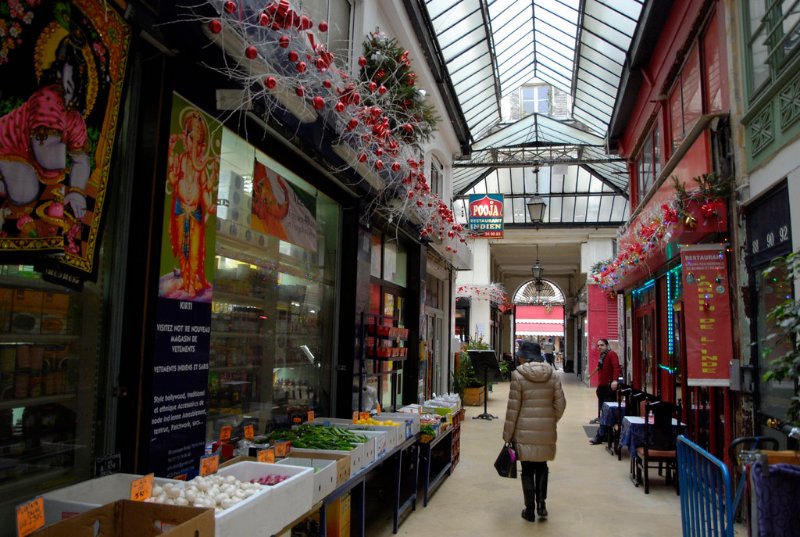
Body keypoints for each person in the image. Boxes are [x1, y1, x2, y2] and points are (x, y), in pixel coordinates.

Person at [503, 340, 566, 522]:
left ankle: (529, 509)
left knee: (527, 469)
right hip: (545, 430)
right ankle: (542, 505)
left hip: (524, 431)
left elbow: (513, 409)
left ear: (524, 357)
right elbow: (560, 404)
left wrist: (508, 434)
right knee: (542, 466)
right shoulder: (552, 374)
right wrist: (550, 420)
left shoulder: (517, 375)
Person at [587, 338, 621, 445]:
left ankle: (600, 435)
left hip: (608, 388)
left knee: (604, 413)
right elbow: (599, 368)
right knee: (603, 412)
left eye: (601, 345)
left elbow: (616, 368)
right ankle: (605, 434)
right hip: (602, 388)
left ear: (606, 345)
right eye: (598, 346)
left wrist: (615, 380)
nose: (599, 347)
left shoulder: (611, 354)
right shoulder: (602, 357)